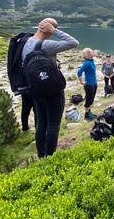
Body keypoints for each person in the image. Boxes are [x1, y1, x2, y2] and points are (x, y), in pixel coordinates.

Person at [21, 18, 79, 158]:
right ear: (47, 29)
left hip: (36, 90)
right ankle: (51, 157)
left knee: (41, 123)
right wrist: (54, 30)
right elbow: (74, 42)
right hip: (52, 90)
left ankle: (42, 155)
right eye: (51, 31)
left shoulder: (25, 42)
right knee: (53, 125)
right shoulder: (45, 45)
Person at [77, 48, 97, 121]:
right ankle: (86, 115)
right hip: (89, 84)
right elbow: (79, 72)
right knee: (88, 100)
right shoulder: (87, 63)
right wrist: (81, 81)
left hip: (94, 83)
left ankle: (89, 112)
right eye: (91, 51)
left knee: (91, 99)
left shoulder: (91, 61)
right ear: (88, 54)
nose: (93, 52)